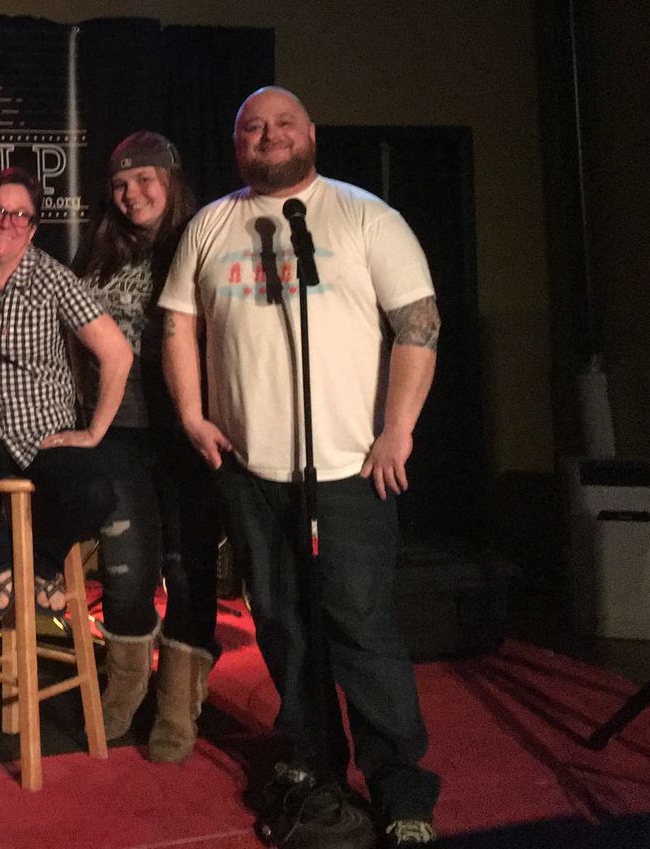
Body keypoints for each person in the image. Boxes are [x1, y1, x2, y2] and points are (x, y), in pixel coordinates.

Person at [158, 86, 442, 848]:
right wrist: (192, 414)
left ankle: (401, 790)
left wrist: (398, 430)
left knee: (360, 627)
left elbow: (418, 325)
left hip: (350, 469)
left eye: (283, 124)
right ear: (236, 143)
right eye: (252, 127)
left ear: (310, 133)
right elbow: (178, 322)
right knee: (283, 625)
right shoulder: (212, 225)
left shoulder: (364, 217)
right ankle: (313, 764)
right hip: (250, 469)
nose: (269, 136)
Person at [0, 167, 132, 621]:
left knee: (96, 494)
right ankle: (2, 563)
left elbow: (117, 354)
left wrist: (94, 432)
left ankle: (43, 565)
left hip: (45, 429)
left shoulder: (52, 278)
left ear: (34, 228)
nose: (7, 222)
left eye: (20, 215)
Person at [75, 132, 220, 763]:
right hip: (118, 428)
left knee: (187, 567)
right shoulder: (99, 248)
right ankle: (126, 688)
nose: (131, 194)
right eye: (120, 184)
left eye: (144, 180)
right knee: (126, 568)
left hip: (188, 429)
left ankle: (178, 701)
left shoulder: (204, 240)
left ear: (171, 180)